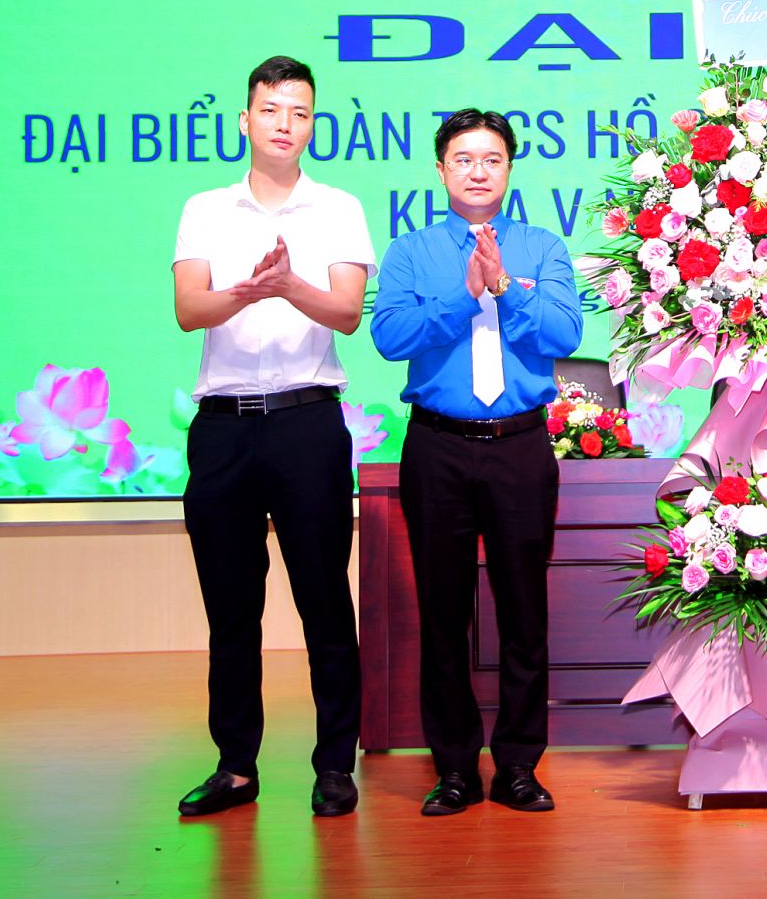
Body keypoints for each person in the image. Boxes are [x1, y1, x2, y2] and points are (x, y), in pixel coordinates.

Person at [171, 55, 375, 819]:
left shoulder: (339, 208)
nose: (285, 123)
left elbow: (347, 311)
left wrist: (289, 285)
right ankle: (236, 766)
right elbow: (189, 309)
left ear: (313, 124)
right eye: (271, 109)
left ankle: (335, 764)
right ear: (245, 119)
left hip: (306, 424)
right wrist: (247, 291)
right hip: (223, 429)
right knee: (231, 609)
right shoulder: (204, 208)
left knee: (325, 601)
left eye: (300, 112)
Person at [371, 108, 584, 816]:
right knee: (443, 612)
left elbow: (564, 331)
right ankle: (455, 768)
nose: (477, 171)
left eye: (492, 158)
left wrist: (504, 290)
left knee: (524, 610)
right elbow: (390, 336)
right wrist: (462, 295)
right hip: (437, 446)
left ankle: (518, 765)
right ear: (441, 170)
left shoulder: (542, 246)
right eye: (463, 159)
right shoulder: (411, 251)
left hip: (520, 445)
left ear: (510, 169)